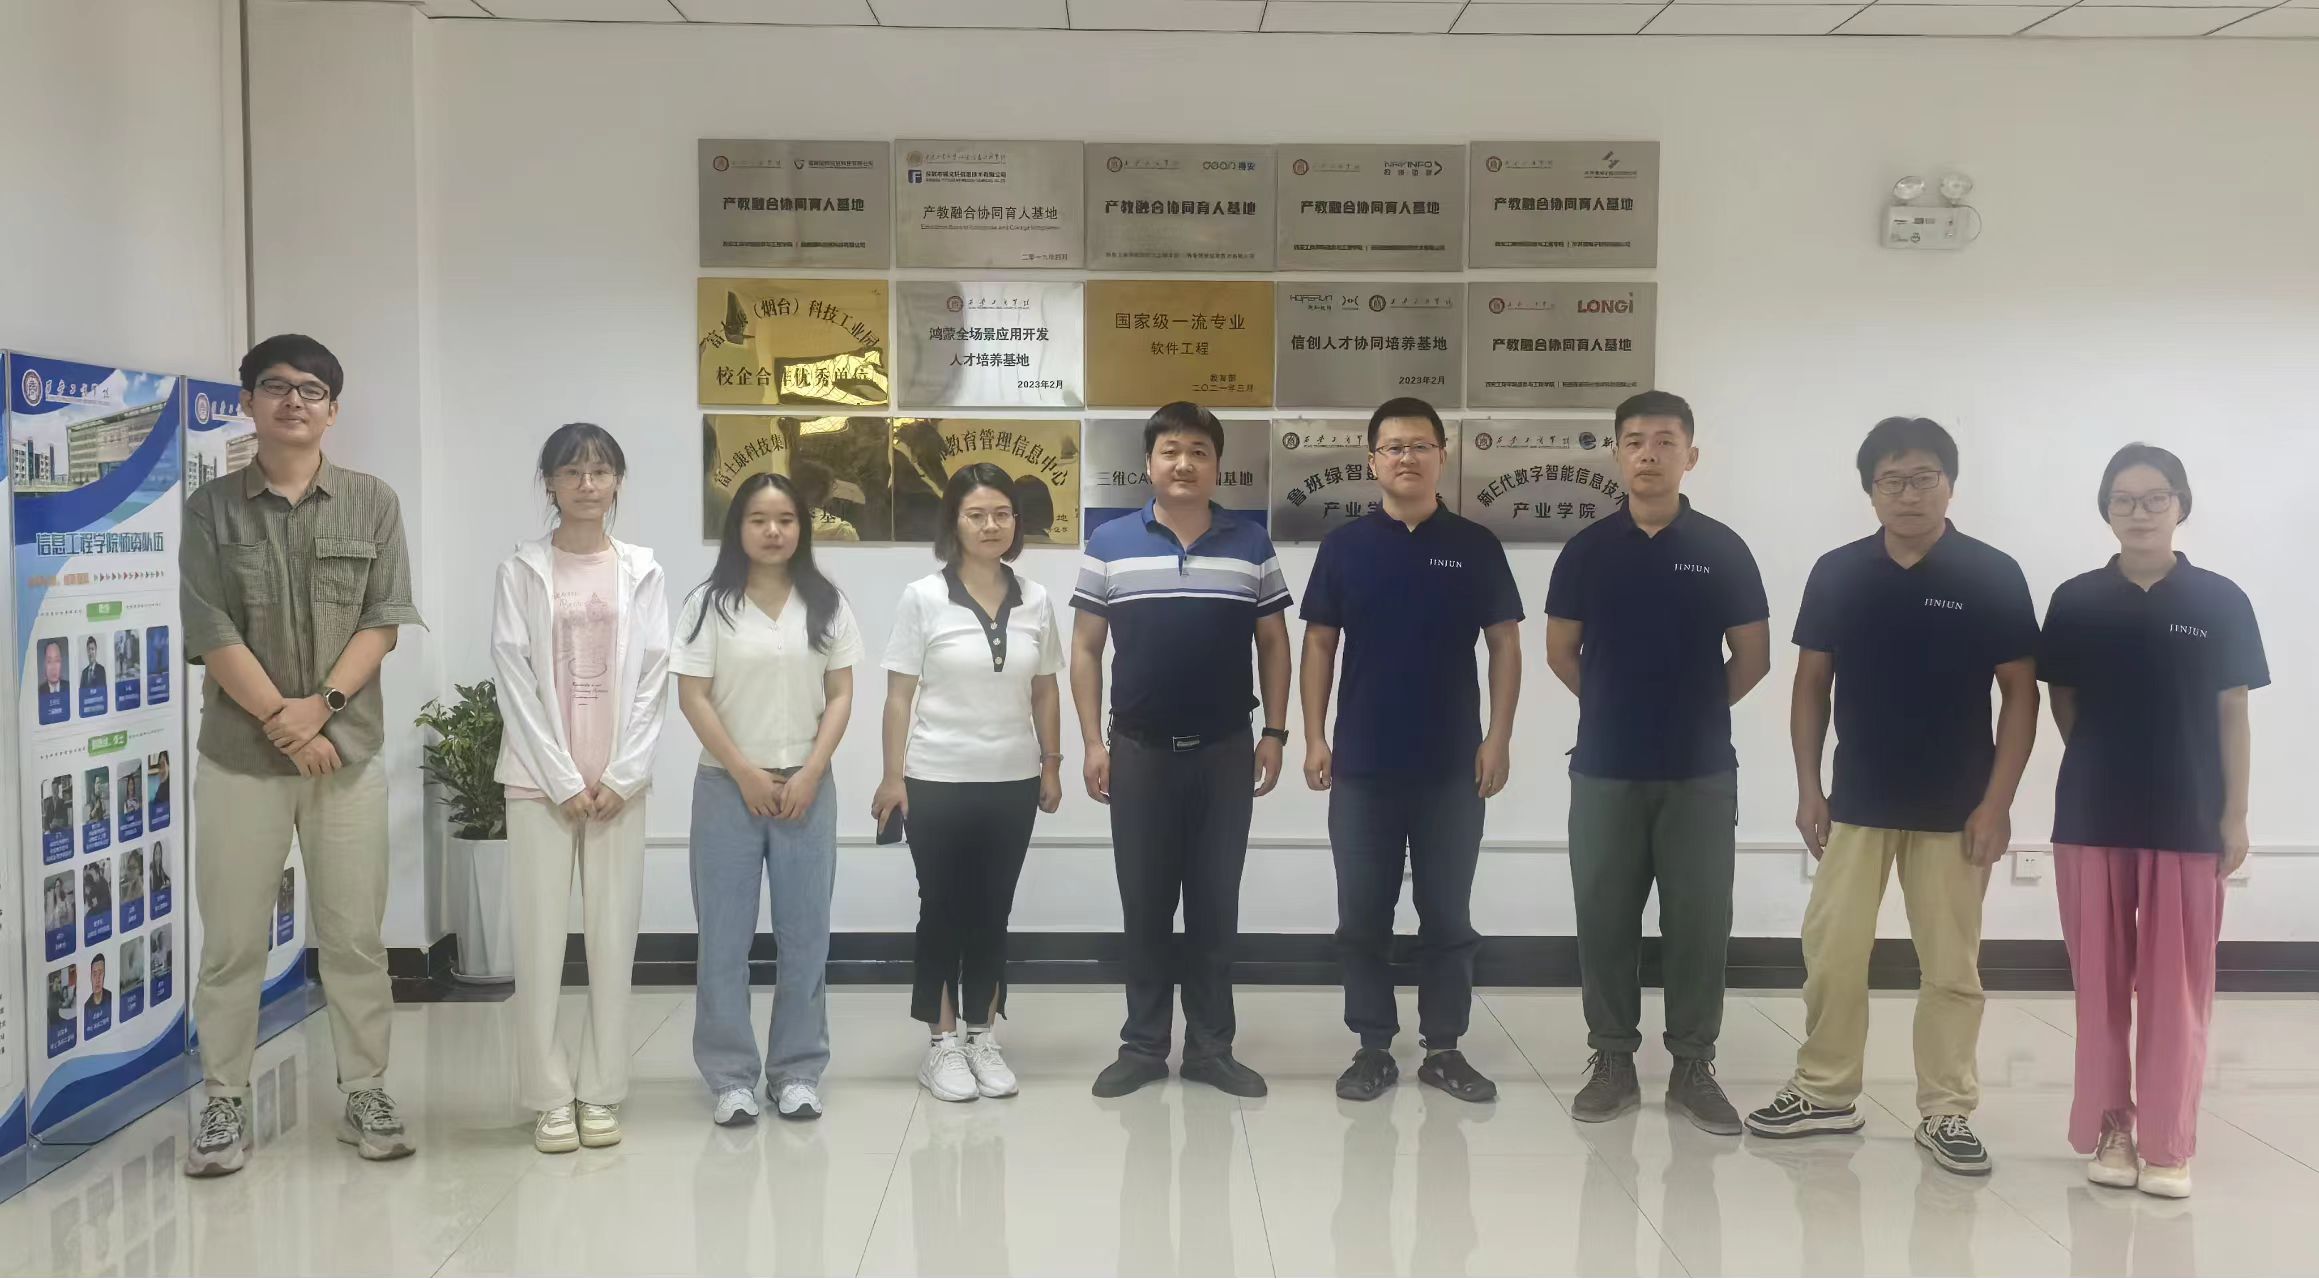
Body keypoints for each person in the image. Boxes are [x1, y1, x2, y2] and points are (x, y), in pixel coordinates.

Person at [1744, 418, 2038, 1176]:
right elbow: (1810, 685)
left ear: (1950, 485)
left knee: (1951, 966)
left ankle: (1946, 1109)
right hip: (1857, 800)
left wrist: (1997, 803)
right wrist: (1808, 787)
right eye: (1892, 481)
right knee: (1832, 952)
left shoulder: (1991, 573)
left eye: (1924, 478)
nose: (1908, 494)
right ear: (1870, 491)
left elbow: (2020, 694)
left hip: (1956, 805)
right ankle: (1825, 1091)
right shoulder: (1838, 572)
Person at [177, 334, 425, 1177]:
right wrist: (284, 722)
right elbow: (211, 629)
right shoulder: (211, 510)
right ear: (247, 402)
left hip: (344, 757)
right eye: (276, 386)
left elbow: (383, 619)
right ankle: (223, 1101)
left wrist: (321, 711)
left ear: (333, 409)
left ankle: (367, 1090)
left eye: (311, 389)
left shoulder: (372, 502)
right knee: (232, 941)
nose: (294, 400)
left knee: (353, 937)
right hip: (239, 759)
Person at [2040, 444, 2264, 1201]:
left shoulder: (2219, 600)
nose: (2139, 512)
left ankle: (2168, 1140)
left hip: (2188, 815)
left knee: (2176, 989)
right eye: (2123, 499)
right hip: (2091, 814)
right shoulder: (2076, 600)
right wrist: (2105, 762)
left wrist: (2233, 813)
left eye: (2154, 497)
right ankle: (2113, 1127)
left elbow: (2232, 710)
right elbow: (2063, 700)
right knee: (2099, 985)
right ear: (2105, 509)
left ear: (2180, 504)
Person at [1544, 390, 1770, 1134]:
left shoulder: (1722, 548)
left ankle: (1692, 1065)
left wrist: (1693, 708)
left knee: (1699, 920)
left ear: (1690, 455)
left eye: (1665, 441)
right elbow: (1560, 650)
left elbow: (1754, 656)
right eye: (1635, 440)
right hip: (1605, 767)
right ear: (1617, 454)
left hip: (1699, 770)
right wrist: (1615, 705)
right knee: (1603, 915)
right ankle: (1612, 1058)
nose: (1649, 453)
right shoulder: (1586, 550)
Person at [1300, 398, 1522, 1106]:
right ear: (1373, 460)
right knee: (1362, 915)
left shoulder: (1476, 545)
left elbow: (1505, 645)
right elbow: (1319, 644)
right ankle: (1371, 1045)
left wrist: (1498, 737)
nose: (1406, 457)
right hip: (1362, 765)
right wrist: (1314, 735)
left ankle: (1444, 1047)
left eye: (1420, 445)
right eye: (1393, 447)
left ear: (1441, 457)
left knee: (1447, 915)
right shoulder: (1344, 547)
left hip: (1453, 765)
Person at [1071, 401, 1292, 1099]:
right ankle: (1142, 1046)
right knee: (1144, 903)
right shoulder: (1109, 542)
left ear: (1217, 464)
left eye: (1199, 451)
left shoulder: (1250, 542)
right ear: (1149, 463)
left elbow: (1274, 643)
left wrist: (1275, 732)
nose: (1184, 463)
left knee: (1214, 904)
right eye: (1171, 450)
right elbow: (1084, 649)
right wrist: (1091, 742)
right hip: (1138, 751)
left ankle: (1209, 1047)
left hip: (1225, 751)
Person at [491, 423, 671, 1155]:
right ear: (550, 484)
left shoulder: (643, 570)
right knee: (538, 944)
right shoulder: (522, 569)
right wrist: (561, 778)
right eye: (572, 472)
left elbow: (655, 675)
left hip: (619, 785)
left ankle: (600, 1090)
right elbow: (512, 674)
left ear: (618, 481)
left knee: (612, 941)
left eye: (600, 471)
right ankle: (546, 1097)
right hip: (540, 783)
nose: (587, 484)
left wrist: (624, 774)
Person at [874, 463, 1066, 1104]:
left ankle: (983, 1035)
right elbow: (898, 696)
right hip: (937, 778)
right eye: (976, 514)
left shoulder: (1036, 599)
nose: (991, 525)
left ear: (1016, 522)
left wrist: (1051, 763)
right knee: (943, 909)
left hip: (1013, 779)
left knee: (993, 908)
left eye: (1002, 514)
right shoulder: (922, 597)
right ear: (953, 523)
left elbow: (1045, 689)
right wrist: (892, 777)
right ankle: (942, 1043)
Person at [674, 471, 859, 1126]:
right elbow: (692, 695)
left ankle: (797, 1071)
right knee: (723, 941)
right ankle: (730, 1077)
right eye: (758, 519)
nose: (773, 531)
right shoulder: (708, 604)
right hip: (727, 788)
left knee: (805, 937)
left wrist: (811, 770)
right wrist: (745, 771)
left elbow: (841, 693)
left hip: (807, 787)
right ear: (739, 528)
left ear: (802, 527)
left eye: (785, 519)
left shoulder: (826, 603)